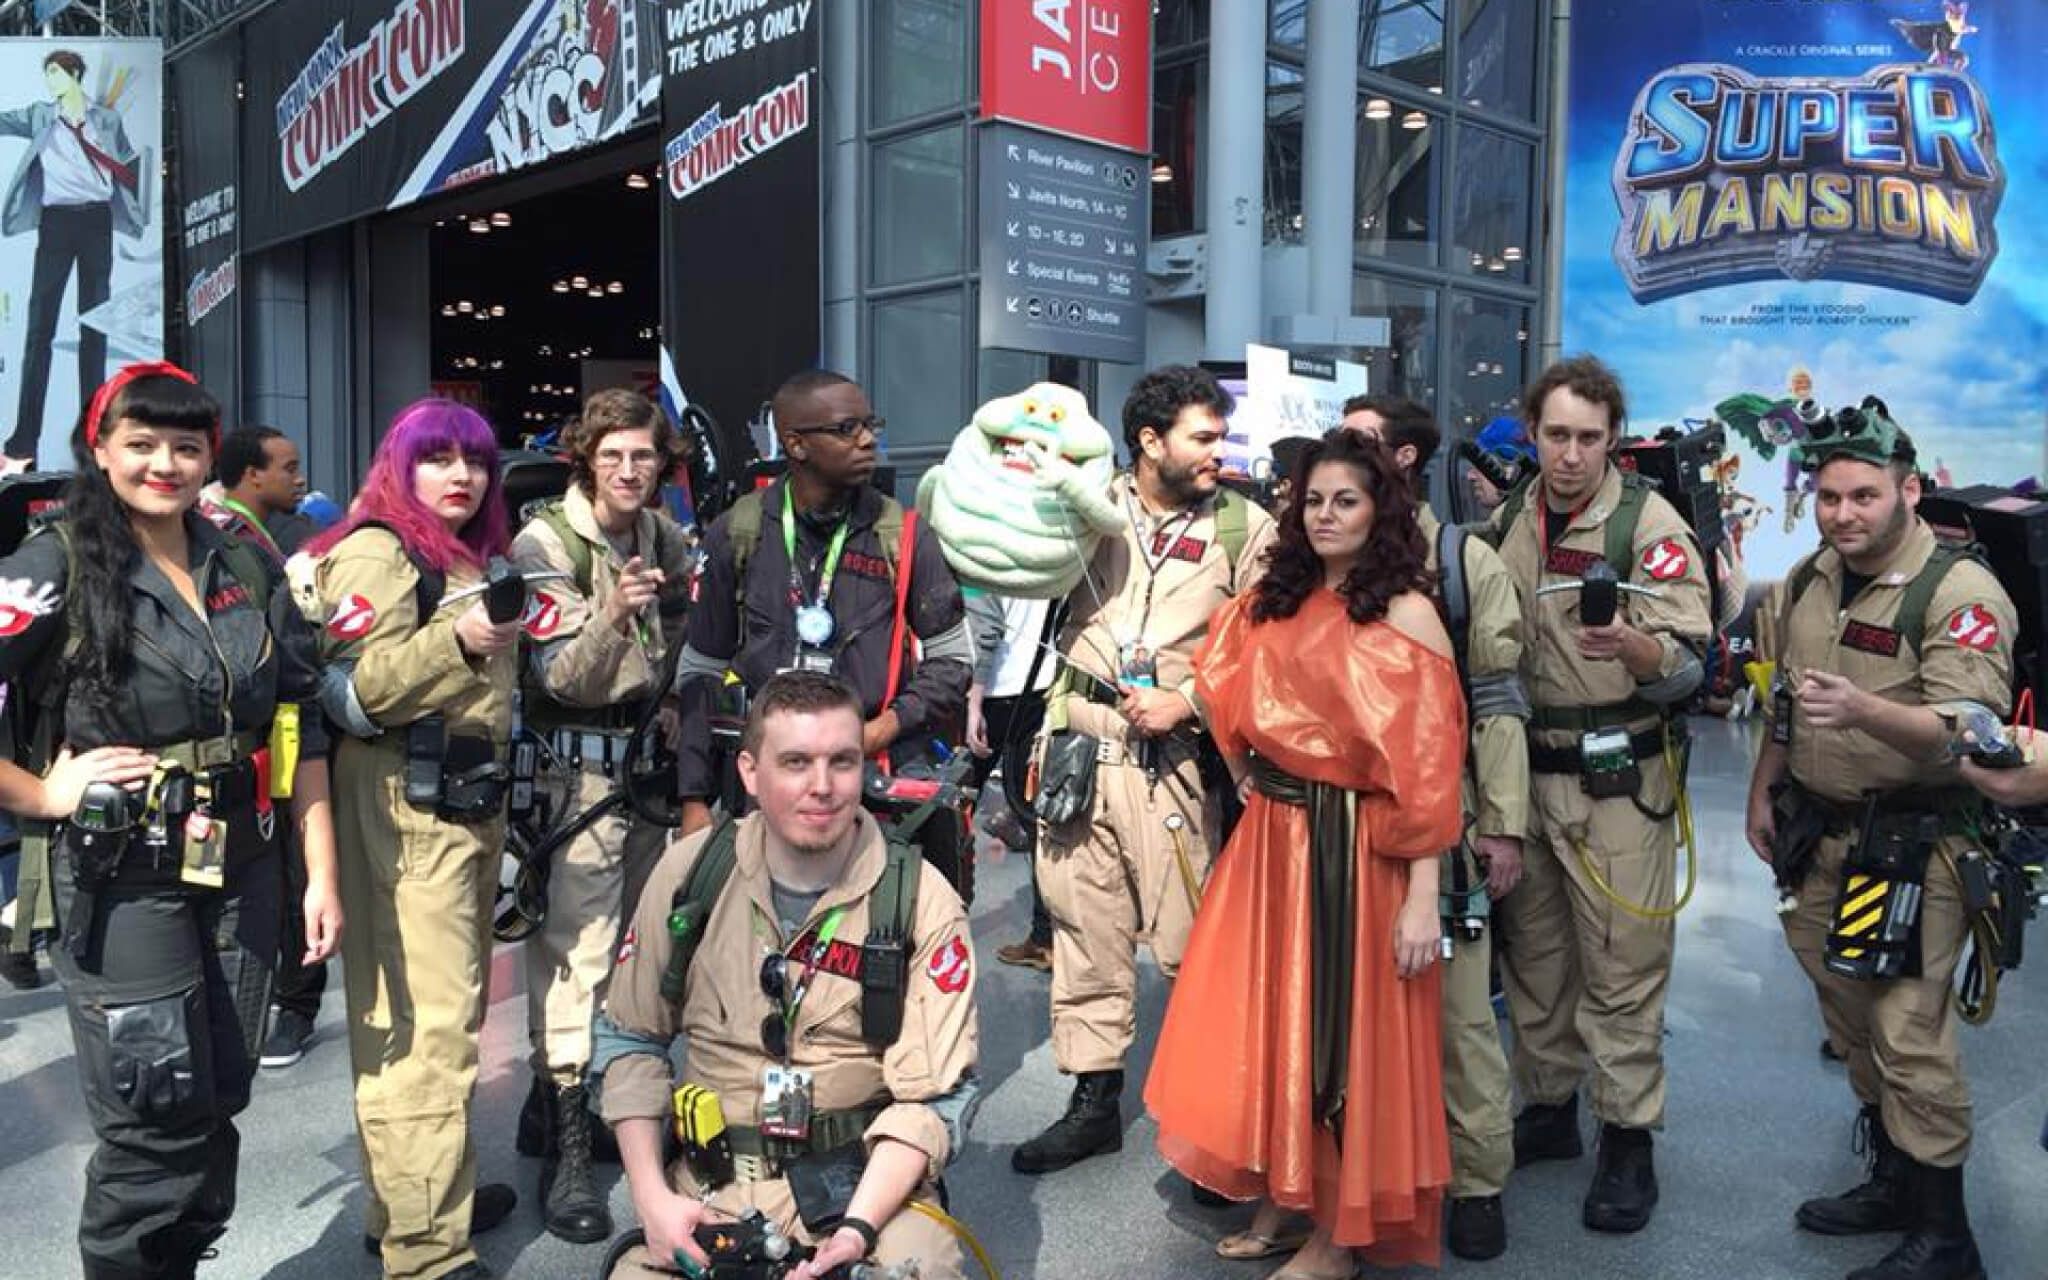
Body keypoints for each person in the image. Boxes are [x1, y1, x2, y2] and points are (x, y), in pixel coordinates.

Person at [0, 361, 340, 1279]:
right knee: (153, 1116)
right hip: (124, 880)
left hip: (245, 863)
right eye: (141, 444)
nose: (164, 464)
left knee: (220, 1093)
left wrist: (321, 869)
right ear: (100, 448)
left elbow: (297, 713)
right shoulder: (54, 563)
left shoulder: (241, 552)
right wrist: (39, 795)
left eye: (185, 446)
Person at [1146, 429, 1464, 1275]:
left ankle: (1337, 1233)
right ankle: (1288, 1201)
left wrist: (1423, 896)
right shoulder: (1271, 600)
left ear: (1380, 509)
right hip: (1274, 846)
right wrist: (1250, 772)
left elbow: (1430, 769)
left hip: (1362, 856)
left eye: (1346, 500)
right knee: (1269, 1024)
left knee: (1343, 1035)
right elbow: (1220, 682)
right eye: (1313, 499)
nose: (1326, 514)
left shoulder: (1407, 612)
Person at [592, 671, 980, 1280]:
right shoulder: (692, 875)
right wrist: (652, 1201)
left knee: (920, 1268)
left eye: (842, 762)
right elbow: (630, 1041)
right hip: (711, 1192)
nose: (821, 787)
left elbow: (935, 1100)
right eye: (795, 762)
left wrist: (856, 1232)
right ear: (750, 772)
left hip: (861, 1191)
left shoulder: (920, 900)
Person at [1745, 405, 2010, 1280]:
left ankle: (1947, 1237)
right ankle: (1896, 1180)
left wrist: (1865, 711)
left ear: (1909, 490)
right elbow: (1788, 698)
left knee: (1906, 1031)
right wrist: (1763, 788)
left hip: (1912, 849)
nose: (1844, 514)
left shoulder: (1959, 592)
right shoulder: (1811, 578)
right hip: (1819, 834)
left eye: (1864, 496)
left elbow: (1970, 732)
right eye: (1828, 497)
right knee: (1849, 1016)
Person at [1012, 364, 1279, 1176]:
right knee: (1081, 928)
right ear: (1148, 440)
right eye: (1202, 437)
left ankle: (1218, 1121)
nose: (1217, 452)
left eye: (1220, 436)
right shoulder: (1084, 503)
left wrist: (1192, 701)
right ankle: (1094, 1100)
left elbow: (1270, 648)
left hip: (1171, 761)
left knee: (1191, 945)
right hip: (1076, 747)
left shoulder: (1244, 525)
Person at [1489, 356, 1712, 1234]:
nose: (1572, 454)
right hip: (1524, 775)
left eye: (1589, 437)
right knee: (1536, 961)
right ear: (1534, 433)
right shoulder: (1511, 516)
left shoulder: (1648, 530)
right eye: (1556, 435)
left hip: (1618, 779)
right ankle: (1549, 1109)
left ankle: (1628, 1139)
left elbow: (1693, 666)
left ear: (1613, 438)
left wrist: (1639, 650)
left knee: (1622, 967)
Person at [309, 400, 522, 1280]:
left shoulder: (461, 553)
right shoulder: (374, 550)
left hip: (460, 805)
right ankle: (426, 1251)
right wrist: (460, 638)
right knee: (420, 1028)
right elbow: (355, 690)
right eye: (437, 459)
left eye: (473, 461)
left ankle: (417, 1199)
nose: (460, 477)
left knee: (447, 1015)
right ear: (400, 465)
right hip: (405, 802)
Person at [1343, 396, 1527, 1261]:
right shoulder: (1321, 555)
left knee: (1458, 1014)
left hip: (1442, 817)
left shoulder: (1461, 562)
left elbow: (1494, 701)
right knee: (1355, 1015)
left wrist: (1503, 826)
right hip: (1339, 825)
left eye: (1365, 442)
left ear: (1407, 460)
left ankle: (1481, 1181)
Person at [508, 388, 694, 1243]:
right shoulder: (545, 541)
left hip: (643, 777)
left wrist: (665, 695)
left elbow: (689, 625)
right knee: (576, 962)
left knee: (638, 955)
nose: (630, 470)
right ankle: (569, 1153)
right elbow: (559, 681)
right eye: (613, 455)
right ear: (587, 457)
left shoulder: (661, 535)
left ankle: (566, 1112)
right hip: (575, 781)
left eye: (645, 455)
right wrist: (615, 616)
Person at [673, 370, 974, 835]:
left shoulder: (906, 534)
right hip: (768, 792)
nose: (868, 440)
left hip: (875, 782)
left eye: (871, 424)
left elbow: (953, 661)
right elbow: (700, 672)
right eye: (847, 428)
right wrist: (694, 798)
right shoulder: (738, 532)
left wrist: (883, 728)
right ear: (796, 445)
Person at [189, 424, 325, 1070]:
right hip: (225, 753)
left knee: (292, 867)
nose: (298, 478)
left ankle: (293, 1006)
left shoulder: (279, 540)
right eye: (287, 467)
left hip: (286, 737)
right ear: (250, 474)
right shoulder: (215, 537)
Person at [0, 50, 146, 473]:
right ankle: (25, 437)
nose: (50, 80)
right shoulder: (40, 115)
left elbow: (129, 168)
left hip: (96, 221)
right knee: (39, 325)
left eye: (56, 72)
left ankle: (95, 433)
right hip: (56, 221)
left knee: (94, 325)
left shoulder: (106, 120)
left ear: (75, 75)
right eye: (46, 72)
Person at [964, 587, 1057, 971]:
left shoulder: (982, 532)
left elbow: (985, 627)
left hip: (995, 691)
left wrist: (972, 698)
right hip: (1041, 685)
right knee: (1038, 821)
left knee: (949, 811)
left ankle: (940, 923)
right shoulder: (1057, 536)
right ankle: (1045, 935)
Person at [205, 426, 315, 561]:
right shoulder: (226, 538)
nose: (300, 480)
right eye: (290, 470)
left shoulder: (238, 530)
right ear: (254, 475)